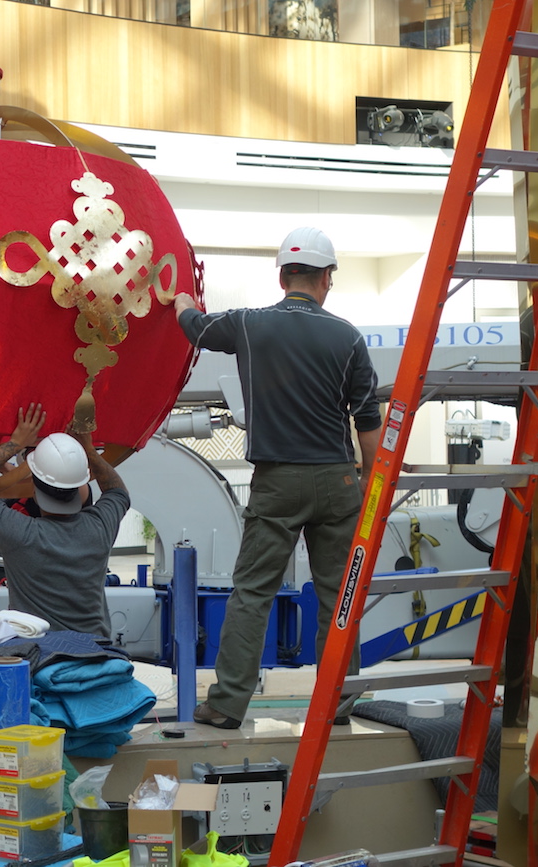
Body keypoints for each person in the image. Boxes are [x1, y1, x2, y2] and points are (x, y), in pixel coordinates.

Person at [173, 226, 381, 729]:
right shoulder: (348, 336)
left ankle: (225, 706)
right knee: (340, 596)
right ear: (326, 278)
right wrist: (371, 487)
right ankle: (336, 706)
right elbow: (369, 421)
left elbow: (197, 328)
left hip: (276, 482)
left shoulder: (249, 324)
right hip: (338, 482)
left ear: (284, 274)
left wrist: (180, 302)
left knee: (253, 593)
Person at [0, 403, 130, 638]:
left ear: (33, 489)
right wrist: (88, 450)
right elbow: (117, 493)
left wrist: (15, 442)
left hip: (40, 655)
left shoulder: (19, 533)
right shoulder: (100, 528)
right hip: (96, 652)